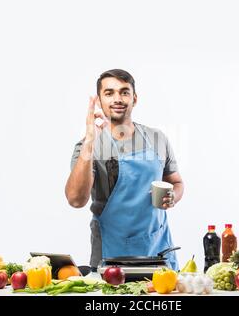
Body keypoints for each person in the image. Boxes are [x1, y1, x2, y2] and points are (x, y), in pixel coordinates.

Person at [65, 69, 184, 271]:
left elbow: (176, 182)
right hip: (112, 253)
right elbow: (76, 200)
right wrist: (91, 139)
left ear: (134, 99)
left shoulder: (157, 138)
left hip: (158, 249)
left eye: (124, 92)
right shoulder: (87, 146)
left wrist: (174, 195)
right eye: (109, 93)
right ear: (99, 101)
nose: (117, 99)